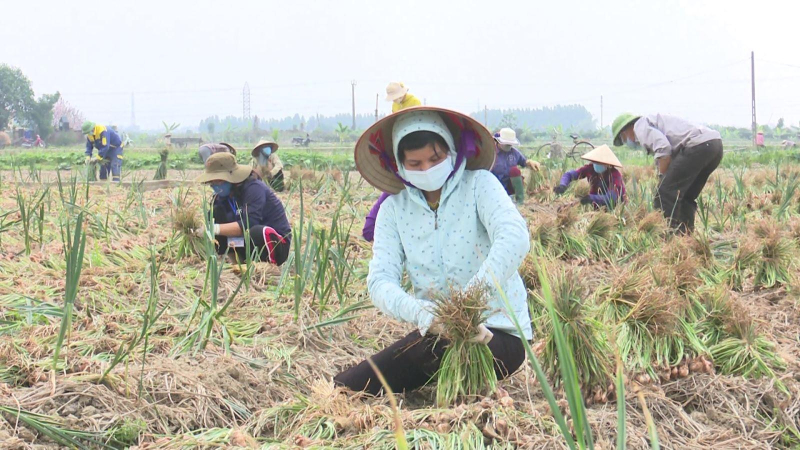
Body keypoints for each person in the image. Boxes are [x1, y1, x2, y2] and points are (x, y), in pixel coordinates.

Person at [335, 107, 532, 395]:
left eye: (435, 159)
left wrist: (471, 301)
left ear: (452, 152)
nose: (426, 169)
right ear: (399, 165)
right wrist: (425, 314)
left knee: (442, 351)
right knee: (353, 385)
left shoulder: (480, 185)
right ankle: (339, 389)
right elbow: (380, 281)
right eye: (415, 163)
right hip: (439, 333)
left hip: (498, 336)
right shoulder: (393, 209)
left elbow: (514, 237)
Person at [612, 113, 723, 233]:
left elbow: (663, 150)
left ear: (627, 129)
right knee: (685, 195)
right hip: (714, 145)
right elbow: (667, 157)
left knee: (664, 193)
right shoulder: (652, 125)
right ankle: (685, 236)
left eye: (623, 138)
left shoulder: (639, 126)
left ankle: (667, 235)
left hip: (698, 145)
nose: (626, 142)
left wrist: (662, 178)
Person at [195, 153, 292, 266]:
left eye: (217, 181)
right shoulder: (221, 197)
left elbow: (248, 223)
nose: (213, 185)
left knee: (256, 232)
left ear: (231, 176)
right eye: (212, 182)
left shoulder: (254, 189)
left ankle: (264, 268)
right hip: (245, 243)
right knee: (215, 215)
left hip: (274, 244)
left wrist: (214, 228)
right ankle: (237, 264)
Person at [553, 145, 626, 209]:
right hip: (597, 206)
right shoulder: (590, 169)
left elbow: (611, 198)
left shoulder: (614, 175)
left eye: (599, 162)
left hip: (615, 208)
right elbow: (569, 175)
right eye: (595, 161)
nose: (596, 164)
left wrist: (591, 198)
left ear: (608, 164)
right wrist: (563, 185)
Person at [491, 128, 541, 204]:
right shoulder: (491, 153)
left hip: (509, 186)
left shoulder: (514, 153)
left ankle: (520, 201)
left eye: (510, 144)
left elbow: (524, 162)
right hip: (494, 186)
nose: (508, 145)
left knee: (515, 171)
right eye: (506, 143)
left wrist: (530, 162)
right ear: (498, 141)